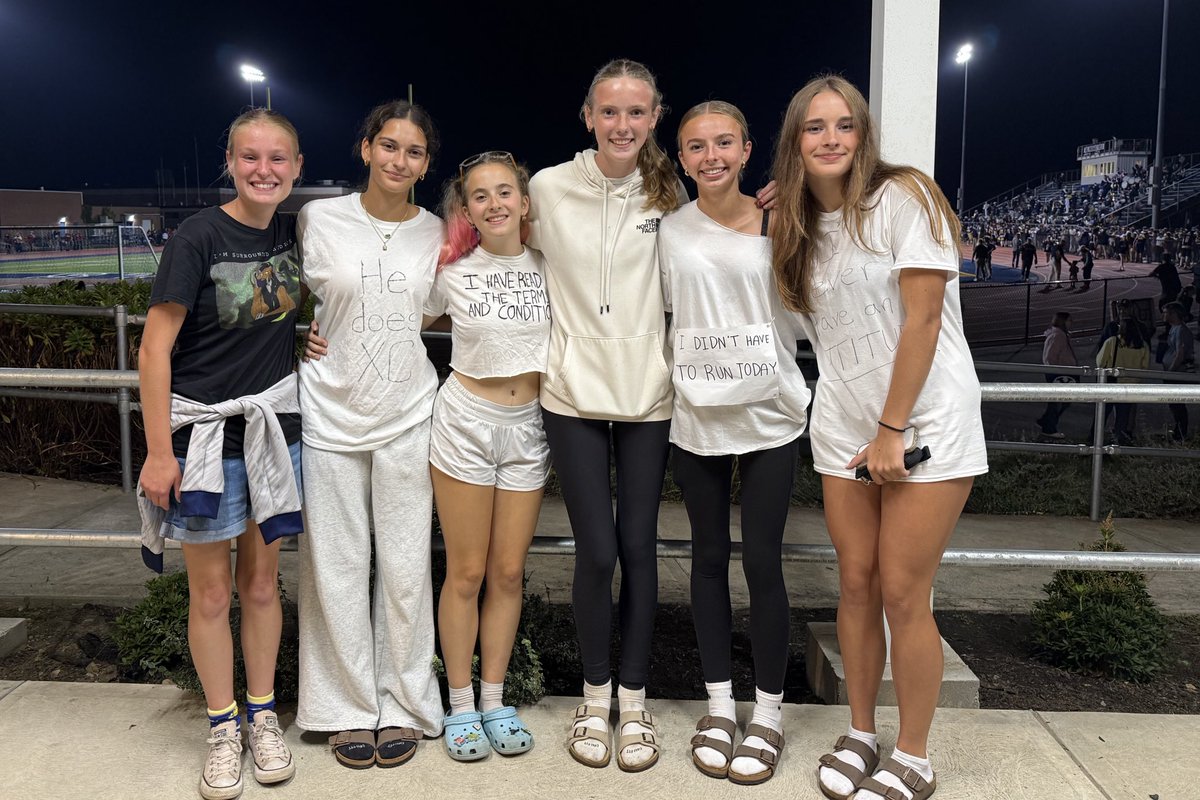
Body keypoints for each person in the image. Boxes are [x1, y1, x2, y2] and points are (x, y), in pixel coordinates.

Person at [770, 75, 987, 800]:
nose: (830, 138)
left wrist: (892, 430)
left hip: (924, 422)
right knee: (856, 584)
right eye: (814, 127)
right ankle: (861, 732)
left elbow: (923, 319)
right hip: (843, 422)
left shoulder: (903, 197)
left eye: (845, 125)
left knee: (902, 591)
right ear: (795, 141)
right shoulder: (794, 228)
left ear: (863, 134)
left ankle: (914, 755)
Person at [137, 108, 303, 800]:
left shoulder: (290, 233)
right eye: (250, 157)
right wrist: (158, 452)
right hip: (205, 441)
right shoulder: (198, 236)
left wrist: (307, 335)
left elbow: (274, 315)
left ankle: (263, 716)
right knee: (209, 593)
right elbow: (154, 348)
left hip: (274, 436)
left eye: (277, 158)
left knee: (262, 586)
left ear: (296, 167)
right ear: (230, 163)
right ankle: (222, 725)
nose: (264, 170)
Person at [526, 58, 683, 773]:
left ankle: (635, 699)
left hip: (648, 393)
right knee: (597, 551)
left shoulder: (670, 191)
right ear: (587, 116)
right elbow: (498, 250)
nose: (623, 124)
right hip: (570, 391)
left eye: (637, 111)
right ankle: (595, 699)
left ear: (655, 117)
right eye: (610, 111)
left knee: (639, 548)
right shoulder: (547, 187)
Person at [658, 101, 810, 785]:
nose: (711, 156)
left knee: (765, 563)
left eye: (724, 143)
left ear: (748, 150)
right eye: (696, 145)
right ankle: (720, 706)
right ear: (681, 157)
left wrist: (801, 195)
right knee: (709, 560)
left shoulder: (784, 221)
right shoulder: (668, 230)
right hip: (698, 418)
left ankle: (769, 713)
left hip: (770, 415)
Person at [295, 100, 444, 769]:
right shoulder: (319, 218)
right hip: (330, 411)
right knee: (336, 566)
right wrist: (291, 336)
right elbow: (278, 299)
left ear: (426, 163)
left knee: (407, 569)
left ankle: (404, 702)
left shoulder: (436, 232)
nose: (399, 160)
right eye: (389, 145)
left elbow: (440, 309)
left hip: (408, 411)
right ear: (365, 148)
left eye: (413, 151)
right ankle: (343, 707)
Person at [427, 152, 550, 761]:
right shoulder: (451, 271)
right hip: (465, 425)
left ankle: (495, 699)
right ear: (467, 210)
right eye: (480, 196)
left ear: (525, 203)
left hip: (529, 429)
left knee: (506, 573)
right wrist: (320, 338)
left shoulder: (551, 267)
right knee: (467, 572)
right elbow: (389, 321)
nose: (494, 203)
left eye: (505, 192)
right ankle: (460, 705)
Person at [1096, 317, 1149, 445]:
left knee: (1103, 413)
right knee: (1123, 416)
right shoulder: (1143, 345)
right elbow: (1145, 366)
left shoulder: (1112, 342)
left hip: (1112, 382)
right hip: (1131, 385)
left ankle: (1095, 440)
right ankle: (1118, 442)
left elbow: (1100, 362)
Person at [1036, 312, 1078, 439]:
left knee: (1059, 401)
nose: (1071, 323)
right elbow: (1050, 357)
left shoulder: (1060, 335)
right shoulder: (1058, 336)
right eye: (1069, 320)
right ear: (1063, 322)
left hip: (1063, 373)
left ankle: (1047, 420)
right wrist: (1057, 370)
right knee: (1060, 401)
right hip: (1060, 374)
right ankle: (1049, 427)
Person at [1161, 302, 1194, 442]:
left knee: (1177, 404)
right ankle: (1178, 431)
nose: (1163, 315)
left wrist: (1170, 372)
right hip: (1173, 372)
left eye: (1165, 312)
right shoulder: (1175, 329)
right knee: (1174, 404)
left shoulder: (1181, 330)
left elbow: (1180, 354)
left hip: (1176, 373)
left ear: (1173, 314)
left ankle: (1180, 434)